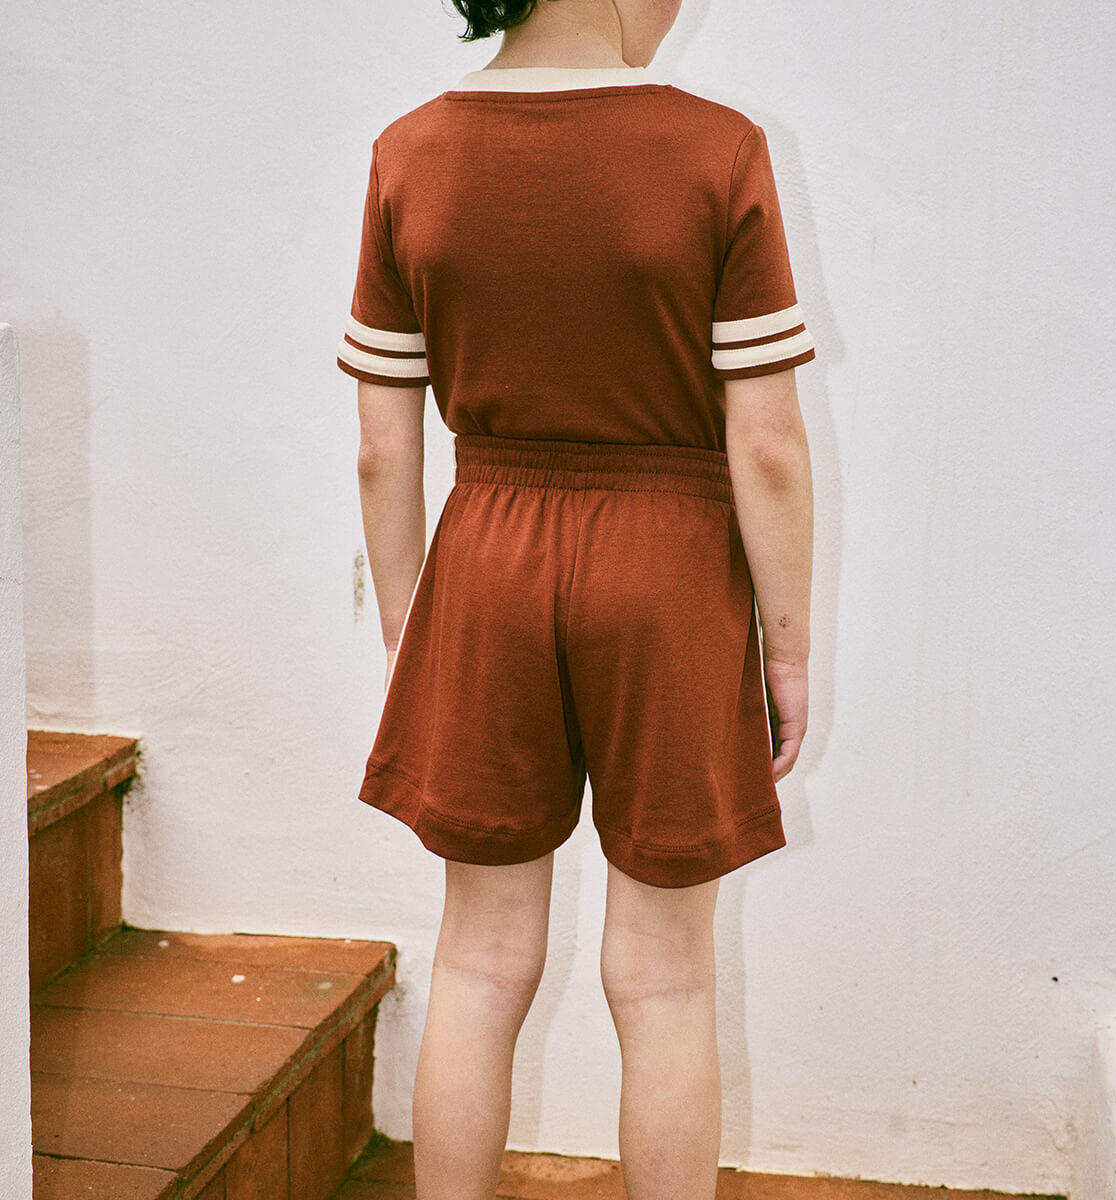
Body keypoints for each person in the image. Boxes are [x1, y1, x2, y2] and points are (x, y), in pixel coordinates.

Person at [337, 0, 815, 1195]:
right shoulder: (717, 150)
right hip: (670, 573)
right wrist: (787, 648)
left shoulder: (409, 152)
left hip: (486, 558)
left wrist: (408, 626)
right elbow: (766, 447)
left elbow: (383, 450)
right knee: (665, 980)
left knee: (480, 961)